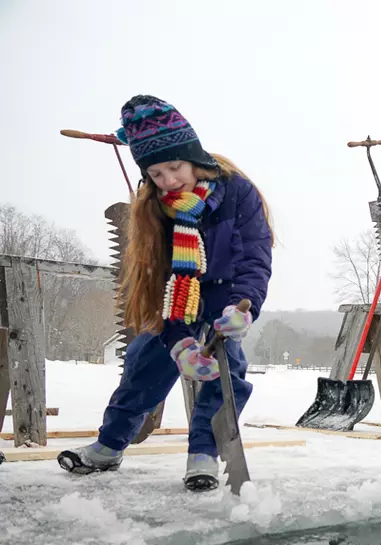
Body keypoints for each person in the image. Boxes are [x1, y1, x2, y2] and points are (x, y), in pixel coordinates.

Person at [57, 95, 274, 492]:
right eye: (156, 174)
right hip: (177, 299)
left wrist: (244, 308)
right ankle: (109, 446)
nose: (169, 181)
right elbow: (157, 282)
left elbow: (254, 255)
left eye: (174, 167)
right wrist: (178, 343)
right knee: (142, 366)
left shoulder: (238, 192)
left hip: (227, 295)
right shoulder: (155, 209)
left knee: (229, 376)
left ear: (194, 158)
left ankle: (203, 454)